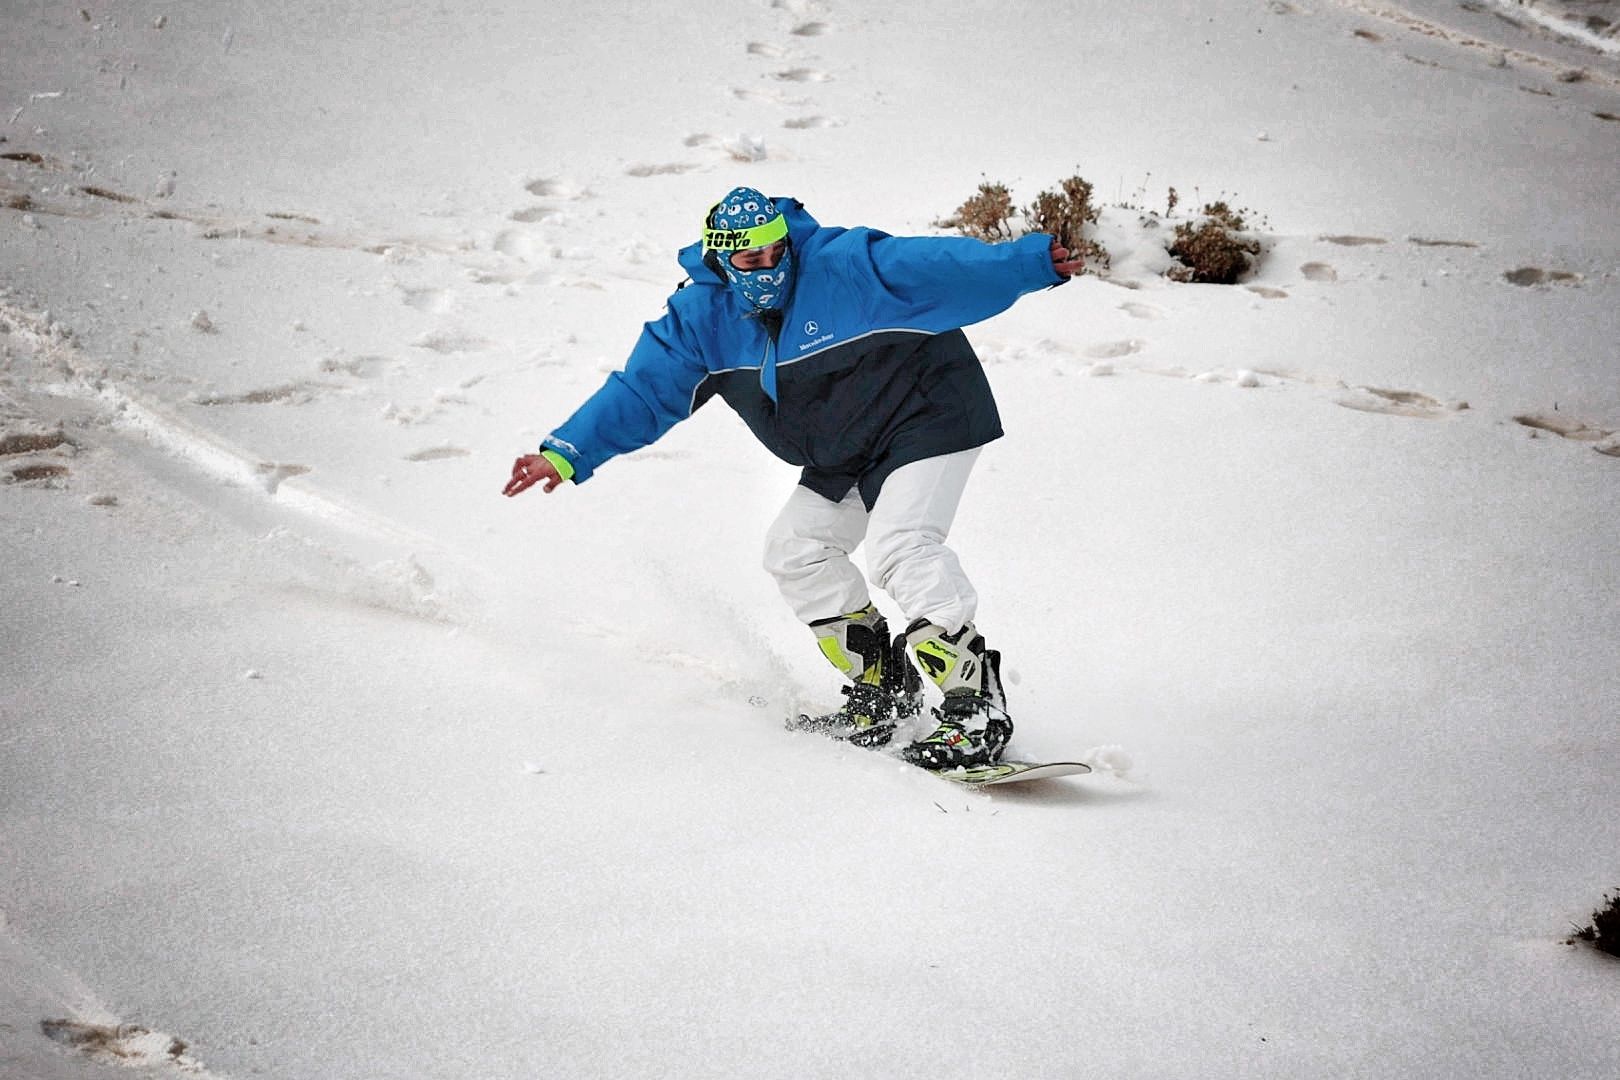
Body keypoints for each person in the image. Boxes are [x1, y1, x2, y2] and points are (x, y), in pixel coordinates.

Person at [504, 187, 1081, 769]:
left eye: (774, 253)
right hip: (845, 449)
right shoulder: (701, 318)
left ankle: (974, 708)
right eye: (749, 261)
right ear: (721, 260)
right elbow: (643, 390)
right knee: (796, 551)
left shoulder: (844, 266)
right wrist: (567, 452)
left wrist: (1028, 262)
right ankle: (883, 693)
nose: (766, 268)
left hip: (927, 417)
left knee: (901, 547)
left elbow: (935, 266)